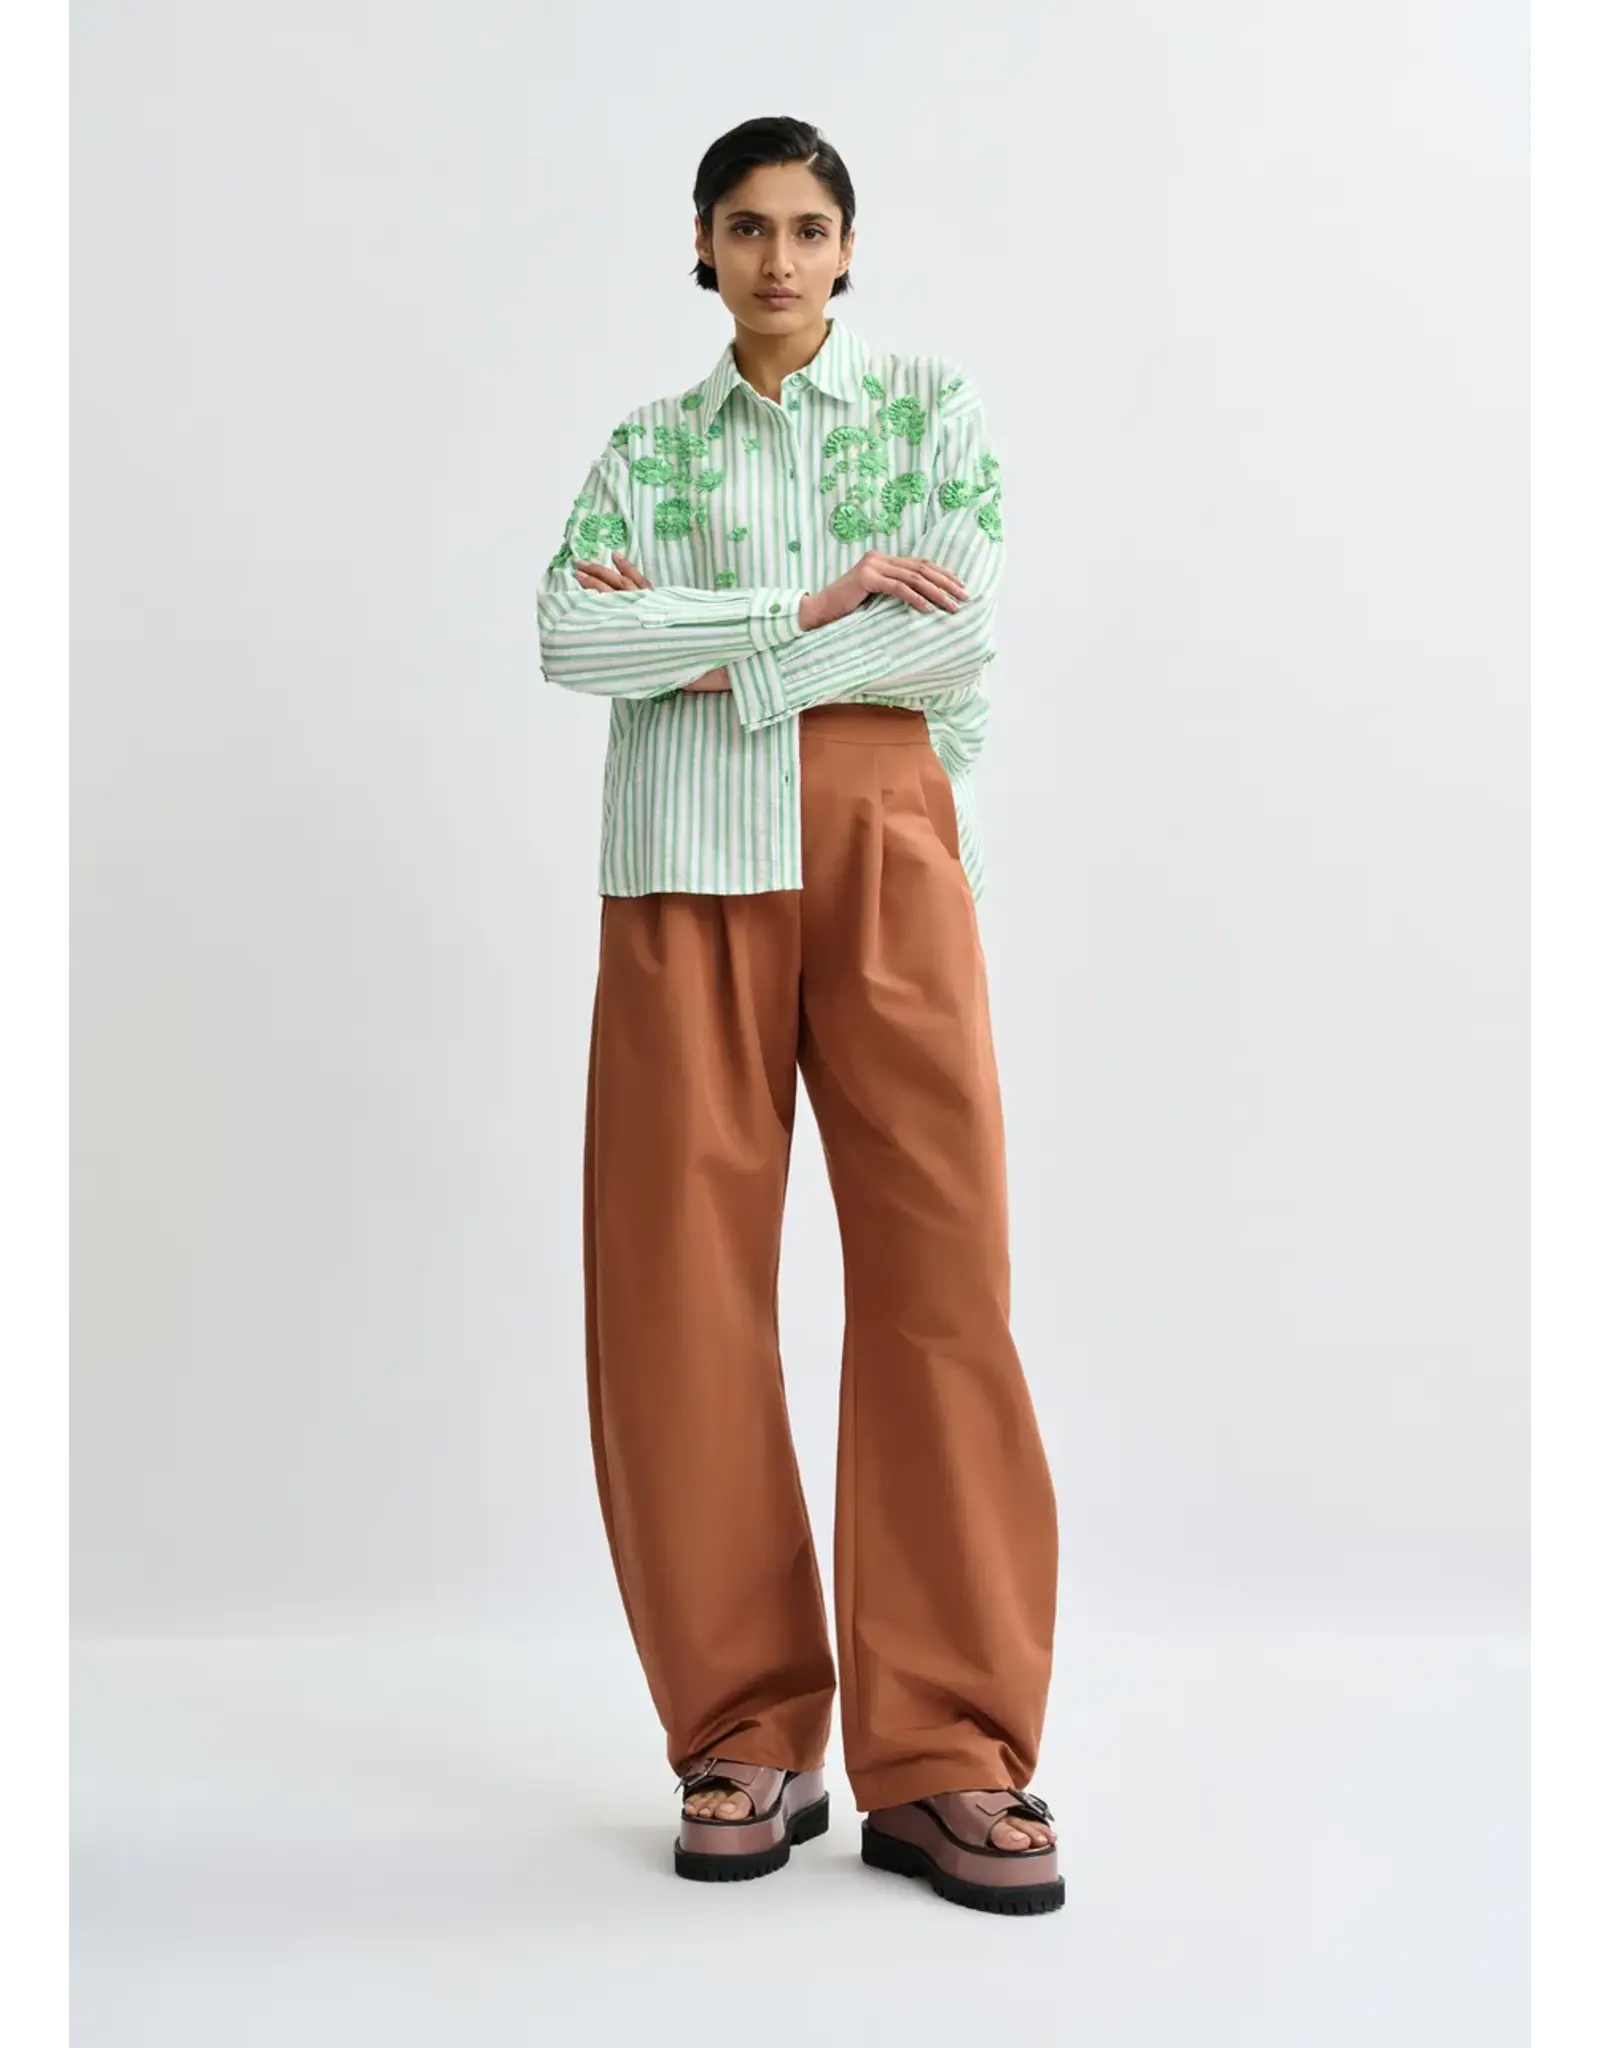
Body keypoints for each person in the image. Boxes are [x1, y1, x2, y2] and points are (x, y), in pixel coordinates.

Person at [536, 116, 1061, 1916]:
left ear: (848, 247)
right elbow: (567, 640)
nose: (778, 257)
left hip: (890, 851)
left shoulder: (930, 414)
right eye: (747, 226)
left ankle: (952, 1751)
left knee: (941, 1276)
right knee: (677, 1293)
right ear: (702, 247)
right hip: (683, 867)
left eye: (810, 226)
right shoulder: (645, 446)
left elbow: (948, 641)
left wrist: (708, 647)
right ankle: (744, 1731)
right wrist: (812, 603)